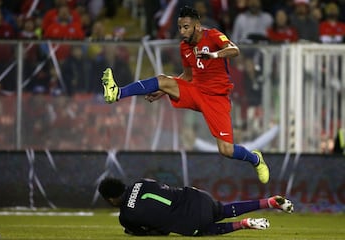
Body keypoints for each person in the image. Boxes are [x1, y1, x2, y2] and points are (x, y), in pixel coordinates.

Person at [101, 5, 270, 184]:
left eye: (186, 27)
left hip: (216, 98)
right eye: (180, 27)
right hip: (196, 91)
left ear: (197, 26)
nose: (181, 31)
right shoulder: (184, 47)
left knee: (226, 150)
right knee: (163, 79)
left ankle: (255, 159)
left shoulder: (212, 35)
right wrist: (163, 91)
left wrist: (213, 55)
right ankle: (117, 92)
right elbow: (188, 76)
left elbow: (234, 50)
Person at [98, 177, 294, 236]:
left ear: (110, 199)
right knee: (223, 210)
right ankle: (267, 202)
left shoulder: (126, 217)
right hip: (196, 196)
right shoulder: (141, 182)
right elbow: (162, 186)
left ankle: (243, 224)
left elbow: (155, 234)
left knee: (204, 230)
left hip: (190, 220)